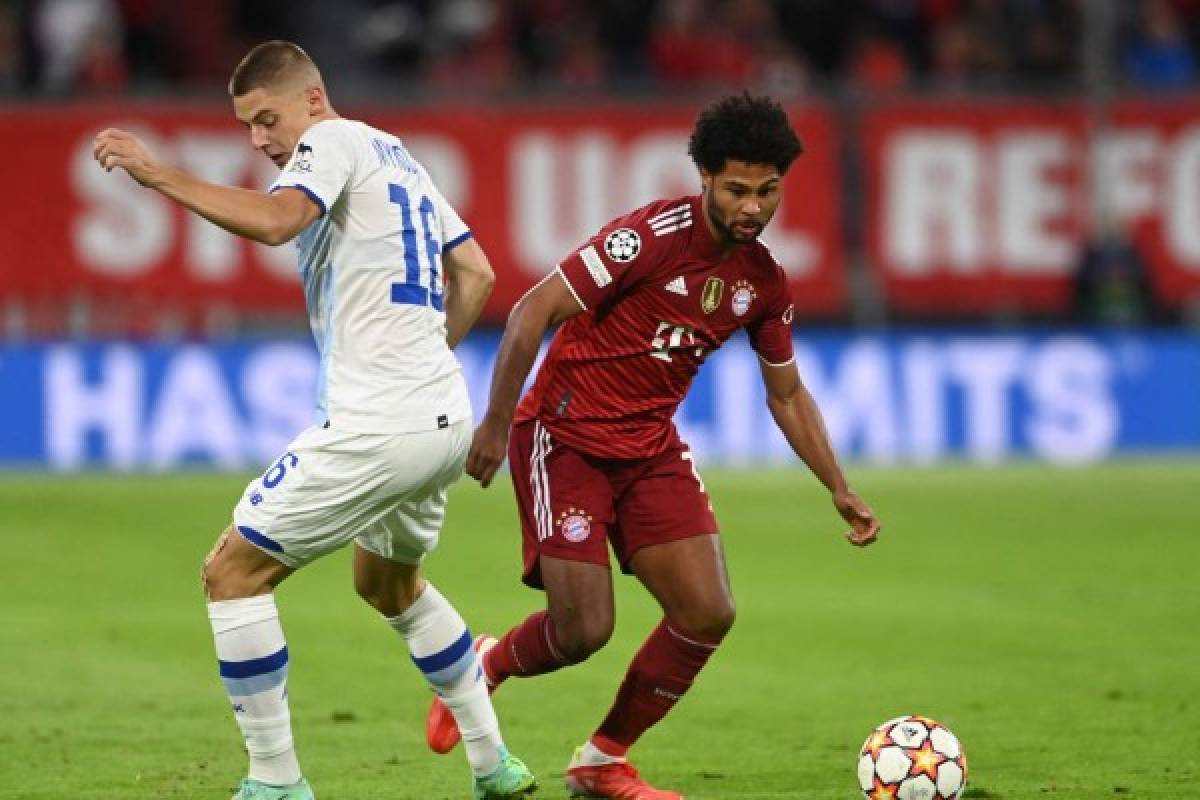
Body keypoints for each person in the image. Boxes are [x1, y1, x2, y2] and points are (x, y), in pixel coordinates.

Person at [92, 40, 536, 800]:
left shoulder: (329, 141)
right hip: (440, 414)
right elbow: (479, 272)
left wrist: (152, 169)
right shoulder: (398, 155)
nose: (261, 140)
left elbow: (274, 223)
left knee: (232, 574)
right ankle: (496, 765)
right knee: (390, 586)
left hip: (380, 421)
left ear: (312, 99)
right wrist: (420, 352)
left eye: (268, 119)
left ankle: (275, 782)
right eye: (246, 127)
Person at [425, 93, 881, 798]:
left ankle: (602, 760)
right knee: (583, 632)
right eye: (736, 189)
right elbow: (531, 309)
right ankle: (485, 665)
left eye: (768, 192)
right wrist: (494, 420)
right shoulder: (648, 238)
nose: (752, 207)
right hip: (564, 437)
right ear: (703, 176)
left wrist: (838, 486)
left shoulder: (762, 281)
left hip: (649, 450)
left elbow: (787, 393)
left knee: (708, 611)